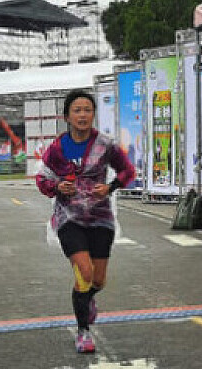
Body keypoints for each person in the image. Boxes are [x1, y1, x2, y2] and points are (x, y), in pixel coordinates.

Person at [36, 89, 135, 354]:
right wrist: (58, 187)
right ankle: (83, 331)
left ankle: (88, 299)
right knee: (84, 272)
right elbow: (42, 179)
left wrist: (110, 187)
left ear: (93, 114)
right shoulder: (57, 149)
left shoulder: (105, 144)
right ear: (67, 117)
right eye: (77, 110)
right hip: (69, 218)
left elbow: (127, 171)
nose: (83, 115)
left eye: (87, 110)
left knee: (98, 280)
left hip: (100, 217)